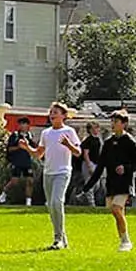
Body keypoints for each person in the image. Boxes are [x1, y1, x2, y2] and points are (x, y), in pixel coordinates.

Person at [37, 102, 85, 251]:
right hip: (48, 173)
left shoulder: (69, 131)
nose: (52, 114)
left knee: (57, 202)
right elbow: (39, 154)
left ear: (63, 116)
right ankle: (61, 239)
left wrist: (68, 144)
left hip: (62, 172)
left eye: (55, 112)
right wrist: (27, 148)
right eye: (51, 112)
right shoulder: (46, 133)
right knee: (51, 206)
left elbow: (78, 152)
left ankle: (58, 239)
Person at [98, 110, 136, 252]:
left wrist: (126, 168)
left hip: (124, 182)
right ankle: (123, 239)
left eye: (116, 122)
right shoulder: (108, 142)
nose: (112, 124)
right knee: (116, 212)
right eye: (112, 121)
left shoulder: (129, 141)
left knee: (117, 208)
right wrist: (87, 186)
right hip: (112, 182)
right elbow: (101, 164)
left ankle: (126, 241)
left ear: (124, 124)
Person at [4, 122, 36, 207]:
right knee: (14, 181)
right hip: (17, 162)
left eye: (25, 124)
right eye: (22, 124)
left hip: (27, 162)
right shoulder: (15, 135)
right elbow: (9, 149)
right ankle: (4, 193)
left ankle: (28, 201)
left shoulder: (29, 136)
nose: (23, 126)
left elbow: (33, 148)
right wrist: (19, 147)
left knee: (30, 181)